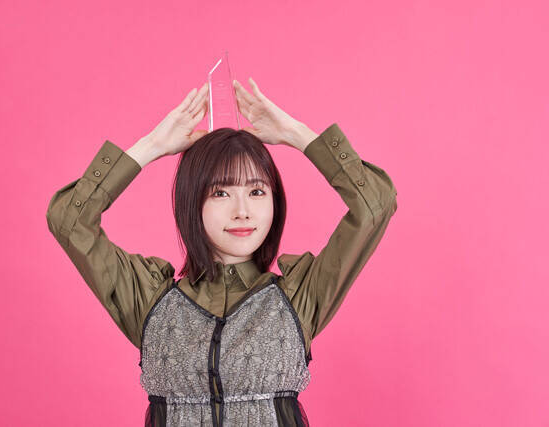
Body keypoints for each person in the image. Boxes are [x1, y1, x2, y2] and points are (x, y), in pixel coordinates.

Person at [46, 78, 398, 426]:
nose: (242, 211)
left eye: (257, 192)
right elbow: (68, 220)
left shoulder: (298, 297)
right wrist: (151, 146)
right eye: (220, 193)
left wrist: (295, 133)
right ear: (192, 202)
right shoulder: (150, 300)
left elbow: (376, 204)